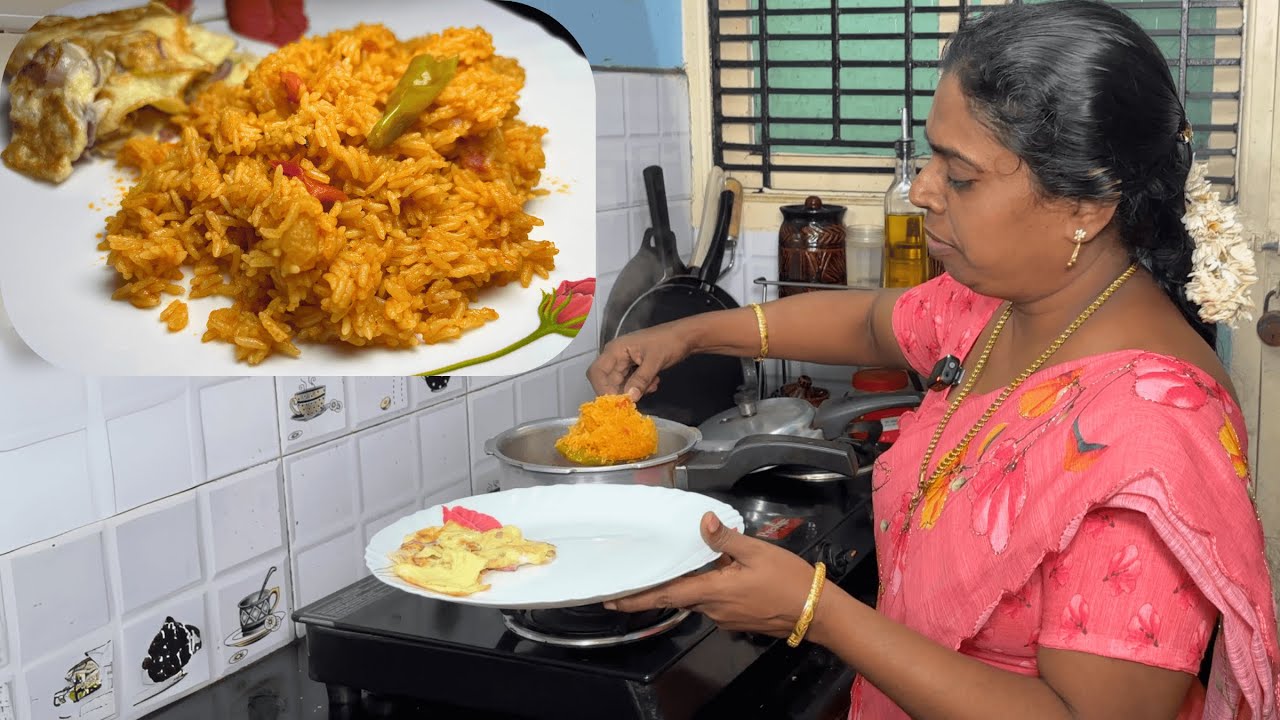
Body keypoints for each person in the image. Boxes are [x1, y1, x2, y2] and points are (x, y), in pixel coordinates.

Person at [586, 1, 1279, 718]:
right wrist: (690, 335)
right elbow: (867, 322)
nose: (921, 189)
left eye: (961, 175)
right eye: (932, 156)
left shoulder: (1153, 435)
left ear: (1087, 205)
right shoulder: (1010, 304)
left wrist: (816, 612)